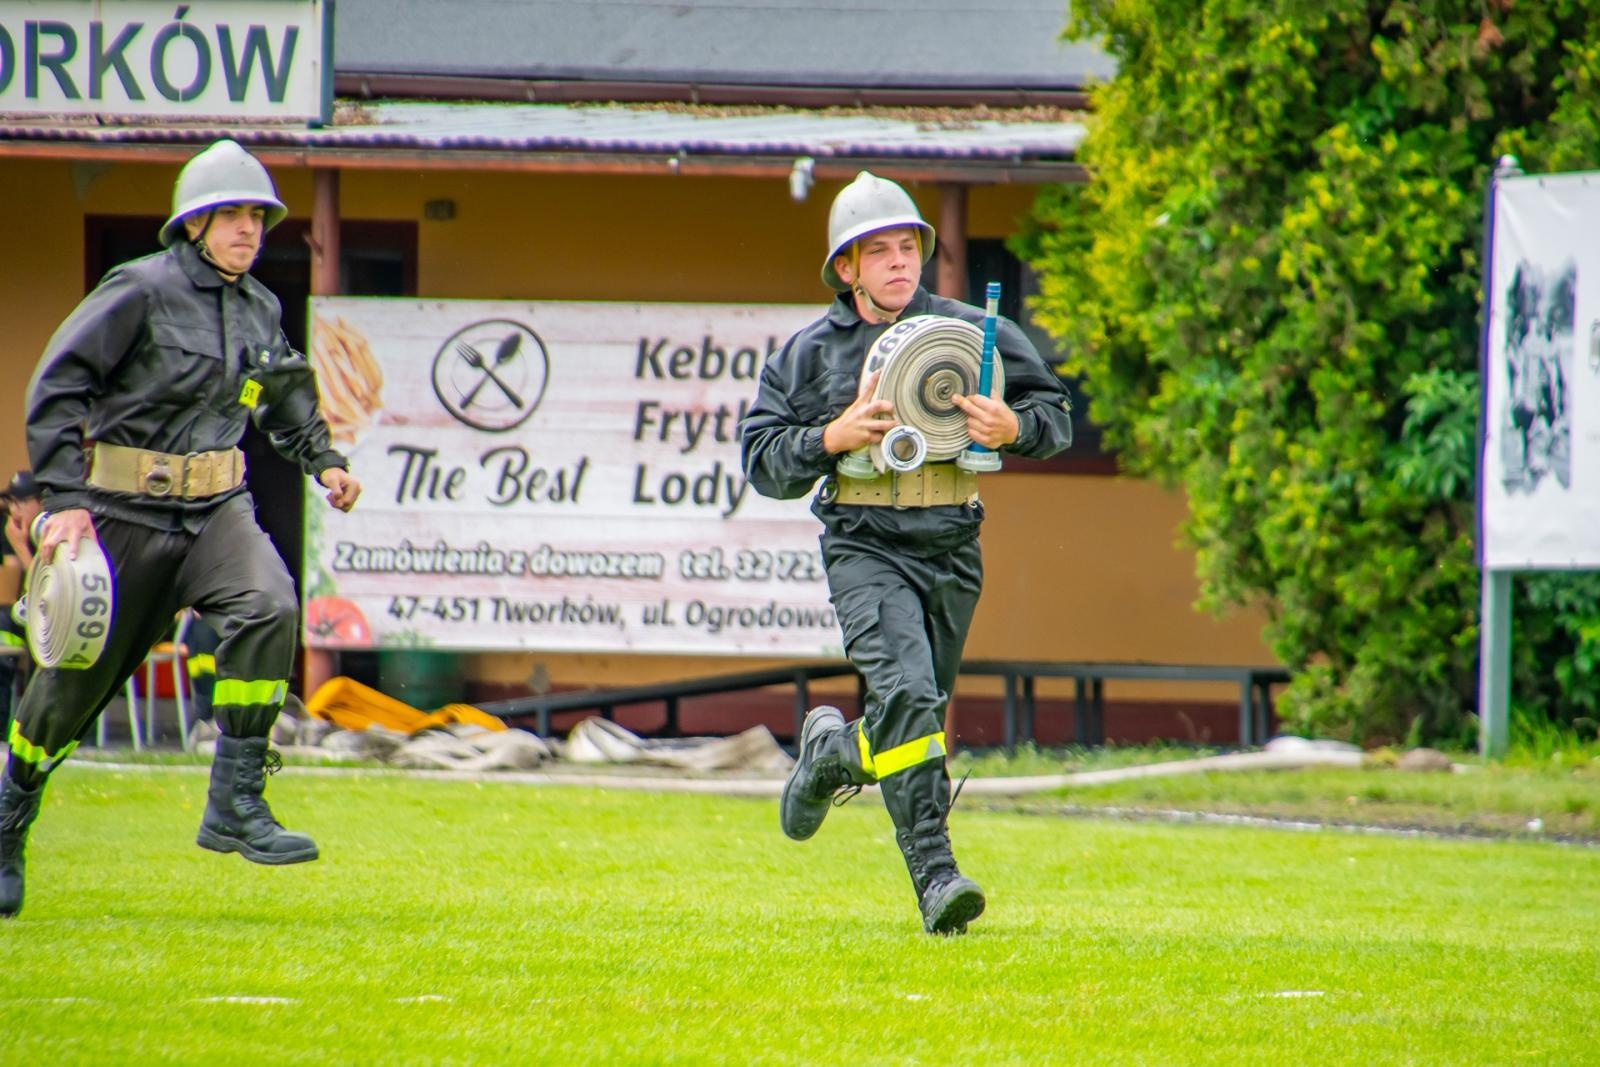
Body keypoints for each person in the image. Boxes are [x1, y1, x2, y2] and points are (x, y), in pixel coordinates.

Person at [0, 139, 362, 918]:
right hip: (124, 512)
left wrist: (322, 460)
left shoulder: (262, 307)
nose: (248, 229)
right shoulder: (139, 289)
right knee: (66, 695)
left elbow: (282, 395)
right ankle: (7, 823)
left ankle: (235, 801)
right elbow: (59, 384)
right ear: (193, 223)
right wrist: (63, 495)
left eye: (257, 217)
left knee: (270, 604)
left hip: (216, 510)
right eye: (230, 214)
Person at [741, 171, 1073, 934]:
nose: (898, 262)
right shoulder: (805, 355)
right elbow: (760, 460)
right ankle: (937, 880)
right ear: (845, 268)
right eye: (878, 250)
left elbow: (1052, 411)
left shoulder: (972, 330)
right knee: (913, 702)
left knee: (910, 715)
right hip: (863, 541)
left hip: (952, 541)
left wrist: (1012, 428)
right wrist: (831, 437)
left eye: (908, 246)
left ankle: (831, 756)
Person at [0, 472, 43, 737]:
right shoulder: (10, 528)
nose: (14, 509)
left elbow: (49, 584)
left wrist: (20, 546)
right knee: (3, 627)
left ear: (40, 502)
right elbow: (10, 580)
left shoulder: (51, 528)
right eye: (11, 502)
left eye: (21, 502)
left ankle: (37, 729)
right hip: (23, 613)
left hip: (56, 618)